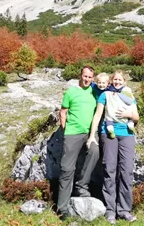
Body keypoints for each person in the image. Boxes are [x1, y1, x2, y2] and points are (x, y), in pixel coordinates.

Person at [87, 70, 139, 224]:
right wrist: (91, 136)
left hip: (127, 135)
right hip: (108, 134)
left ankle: (124, 210)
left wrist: (128, 115)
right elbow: (97, 115)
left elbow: (136, 117)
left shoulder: (129, 95)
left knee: (126, 172)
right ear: (111, 81)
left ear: (124, 81)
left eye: (120, 80)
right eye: (115, 80)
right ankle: (110, 211)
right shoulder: (105, 95)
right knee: (109, 170)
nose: (117, 82)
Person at [57, 66, 100, 220]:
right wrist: (65, 130)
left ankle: (81, 186)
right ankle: (62, 208)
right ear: (80, 76)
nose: (86, 79)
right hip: (72, 133)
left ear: (92, 78)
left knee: (95, 151)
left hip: (89, 134)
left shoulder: (94, 92)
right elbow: (63, 112)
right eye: (85, 76)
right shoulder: (71, 92)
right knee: (67, 168)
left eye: (89, 77)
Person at [93, 73, 135, 138]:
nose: (101, 85)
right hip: (101, 112)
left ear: (108, 83)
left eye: (103, 83)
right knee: (100, 126)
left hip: (109, 114)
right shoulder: (97, 88)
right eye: (99, 83)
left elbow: (130, 103)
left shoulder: (112, 90)